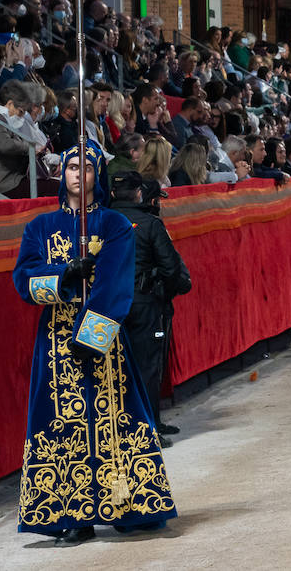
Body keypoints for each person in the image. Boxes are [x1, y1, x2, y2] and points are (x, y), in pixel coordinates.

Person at [12, 140, 176, 542]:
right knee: (62, 422)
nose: (76, 174)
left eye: (85, 167)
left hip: (100, 336)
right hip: (54, 339)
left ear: (95, 176)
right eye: (70, 167)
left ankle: (122, 503)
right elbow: (23, 280)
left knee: (111, 416)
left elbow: (116, 282)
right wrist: (64, 275)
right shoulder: (38, 228)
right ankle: (70, 514)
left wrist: (92, 335)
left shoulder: (113, 225)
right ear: (62, 174)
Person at [111, 171, 190, 445]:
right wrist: (165, 292)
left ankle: (131, 428)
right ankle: (148, 431)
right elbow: (171, 267)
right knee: (148, 367)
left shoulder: (99, 222)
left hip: (108, 305)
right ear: (139, 194)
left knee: (114, 369)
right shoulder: (150, 223)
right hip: (144, 303)